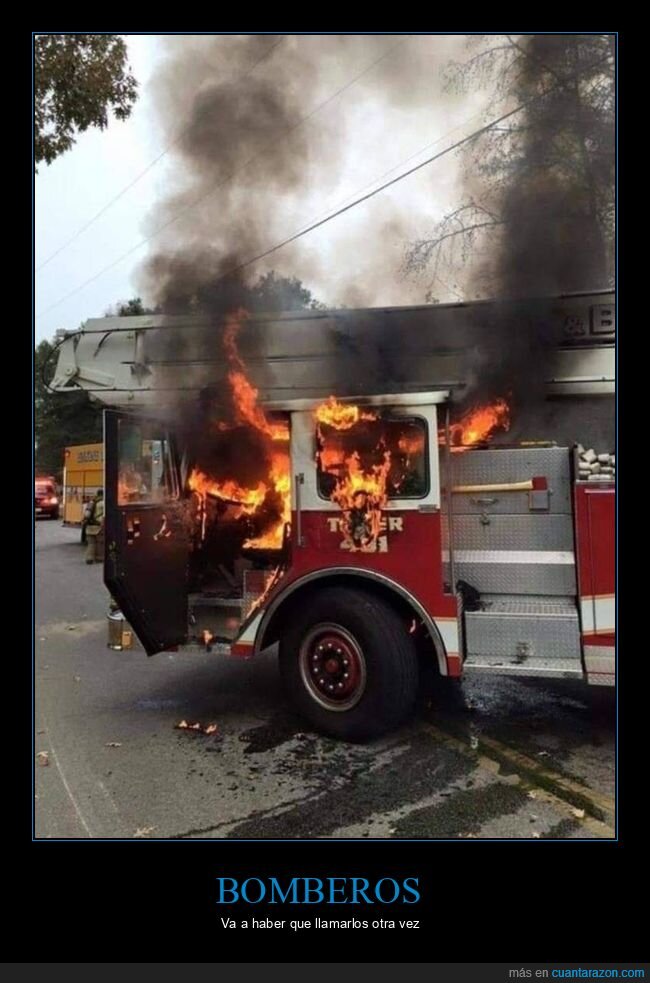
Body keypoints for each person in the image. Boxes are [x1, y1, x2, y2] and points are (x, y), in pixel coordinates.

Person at [85, 490, 105, 564]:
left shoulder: (91, 502)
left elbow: (86, 515)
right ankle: (99, 558)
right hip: (98, 526)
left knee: (91, 543)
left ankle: (89, 558)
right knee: (100, 543)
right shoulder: (103, 503)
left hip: (89, 526)